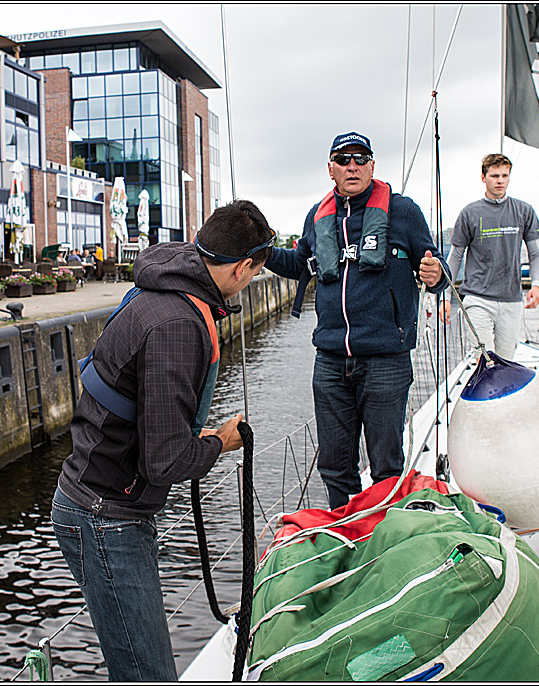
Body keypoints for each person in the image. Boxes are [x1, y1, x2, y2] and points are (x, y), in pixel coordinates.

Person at [51, 200, 275, 681]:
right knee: (147, 674)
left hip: (94, 499)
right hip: (105, 516)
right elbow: (164, 461)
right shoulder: (179, 325)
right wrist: (220, 443)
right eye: (256, 272)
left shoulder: (166, 284)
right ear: (242, 268)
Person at [266, 131, 450, 510]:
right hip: (331, 359)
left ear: (372, 166)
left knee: (385, 462)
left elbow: (438, 267)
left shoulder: (404, 212)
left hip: (385, 358)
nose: (353, 166)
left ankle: (383, 533)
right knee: (334, 463)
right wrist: (258, 246)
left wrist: (437, 273)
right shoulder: (317, 217)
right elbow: (296, 264)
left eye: (360, 158)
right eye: (344, 159)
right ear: (330, 168)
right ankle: (345, 528)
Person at [438, 153, 539, 361]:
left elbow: (535, 254)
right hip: (478, 298)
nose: (500, 180)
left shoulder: (524, 211)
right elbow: (455, 256)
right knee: (486, 360)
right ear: (483, 177)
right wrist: (446, 297)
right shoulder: (469, 213)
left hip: (511, 299)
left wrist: (536, 284)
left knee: (506, 362)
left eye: (505, 175)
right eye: (495, 175)